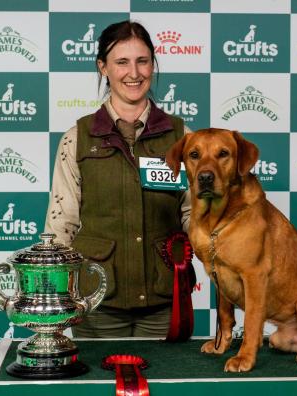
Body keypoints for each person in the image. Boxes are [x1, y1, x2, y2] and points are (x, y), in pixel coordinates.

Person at [45, 20, 191, 338]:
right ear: (103, 67)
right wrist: (54, 308)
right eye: (121, 62)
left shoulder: (183, 138)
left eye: (142, 61)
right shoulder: (76, 138)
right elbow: (61, 226)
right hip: (96, 303)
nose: (134, 73)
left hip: (165, 303)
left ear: (153, 64)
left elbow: (196, 215)